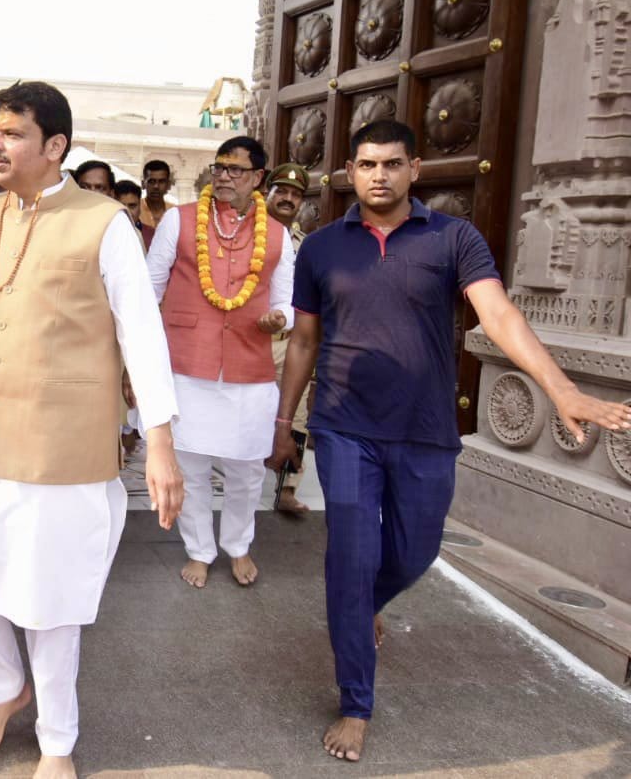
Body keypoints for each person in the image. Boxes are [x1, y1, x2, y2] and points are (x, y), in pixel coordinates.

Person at [267, 119, 631, 763]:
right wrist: (282, 423)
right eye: (367, 164)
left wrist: (561, 390)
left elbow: (498, 315)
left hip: (426, 427)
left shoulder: (452, 237)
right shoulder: (322, 248)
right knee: (350, 556)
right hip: (344, 425)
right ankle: (356, 700)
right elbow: (302, 341)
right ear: (350, 172)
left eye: (392, 163)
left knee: (415, 551)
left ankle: (364, 605)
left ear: (416, 170)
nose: (379, 174)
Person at [0, 81, 183, 779]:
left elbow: (142, 335)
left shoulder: (102, 222)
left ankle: (57, 738)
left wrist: (159, 439)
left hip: (61, 442)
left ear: (55, 145)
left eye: (11, 133)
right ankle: (4, 687)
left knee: (49, 597)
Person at [146, 136, 293, 589]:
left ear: (258, 179)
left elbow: (288, 301)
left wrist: (277, 319)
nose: (224, 176)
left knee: (247, 468)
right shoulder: (179, 220)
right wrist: (142, 365)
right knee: (187, 462)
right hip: (187, 362)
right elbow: (148, 289)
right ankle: (199, 550)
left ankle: (238, 545)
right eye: (220, 167)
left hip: (250, 367)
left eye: (236, 170)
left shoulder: (280, 234)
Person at [264, 162, 314, 515]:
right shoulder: (246, 234)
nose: (287, 198)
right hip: (251, 340)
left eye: (295, 195)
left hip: (292, 342)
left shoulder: (305, 245)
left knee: (294, 417)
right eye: (281, 190)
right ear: (266, 192)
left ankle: (286, 488)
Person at [137, 159, 173, 249]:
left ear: (168, 185)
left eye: (161, 182)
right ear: (143, 184)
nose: (156, 186)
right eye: (151, 181)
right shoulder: (134, 209)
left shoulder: (175, 212)